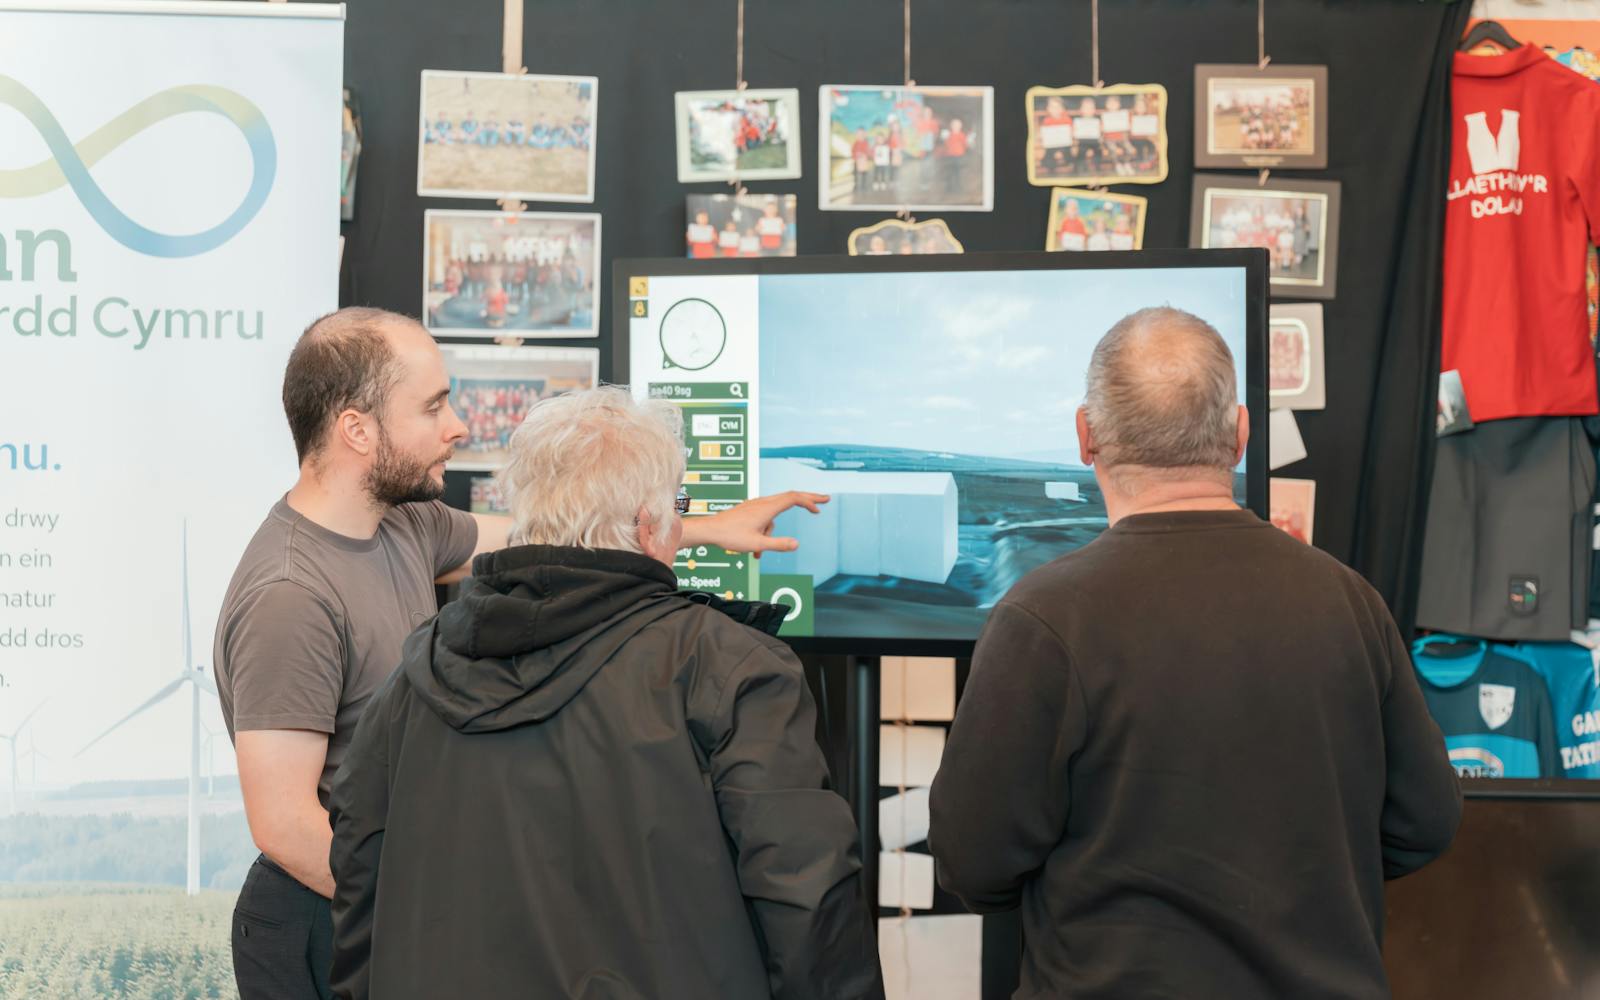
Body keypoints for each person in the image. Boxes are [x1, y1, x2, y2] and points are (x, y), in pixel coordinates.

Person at [215, 308, 830, 1000]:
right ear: (356, 429)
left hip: (387, 899)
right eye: (433, 407)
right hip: (318, 923)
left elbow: (553, 531)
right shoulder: (291, 594)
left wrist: (704, 527)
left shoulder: (407, 526)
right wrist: (438, 912)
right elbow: (284, 824)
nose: (457, 427)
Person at [928, 307, 1461, 1000]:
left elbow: (973, 861)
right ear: (1240, 433)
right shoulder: (1350, 601)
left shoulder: (1043, 617)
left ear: (1086, 435)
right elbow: (1426, 821)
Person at [327, 386, 884, 1000]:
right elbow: (806, 904)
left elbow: (359, 907)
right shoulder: (729, 670)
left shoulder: (410, 679)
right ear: (650, 526)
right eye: (679, 504)